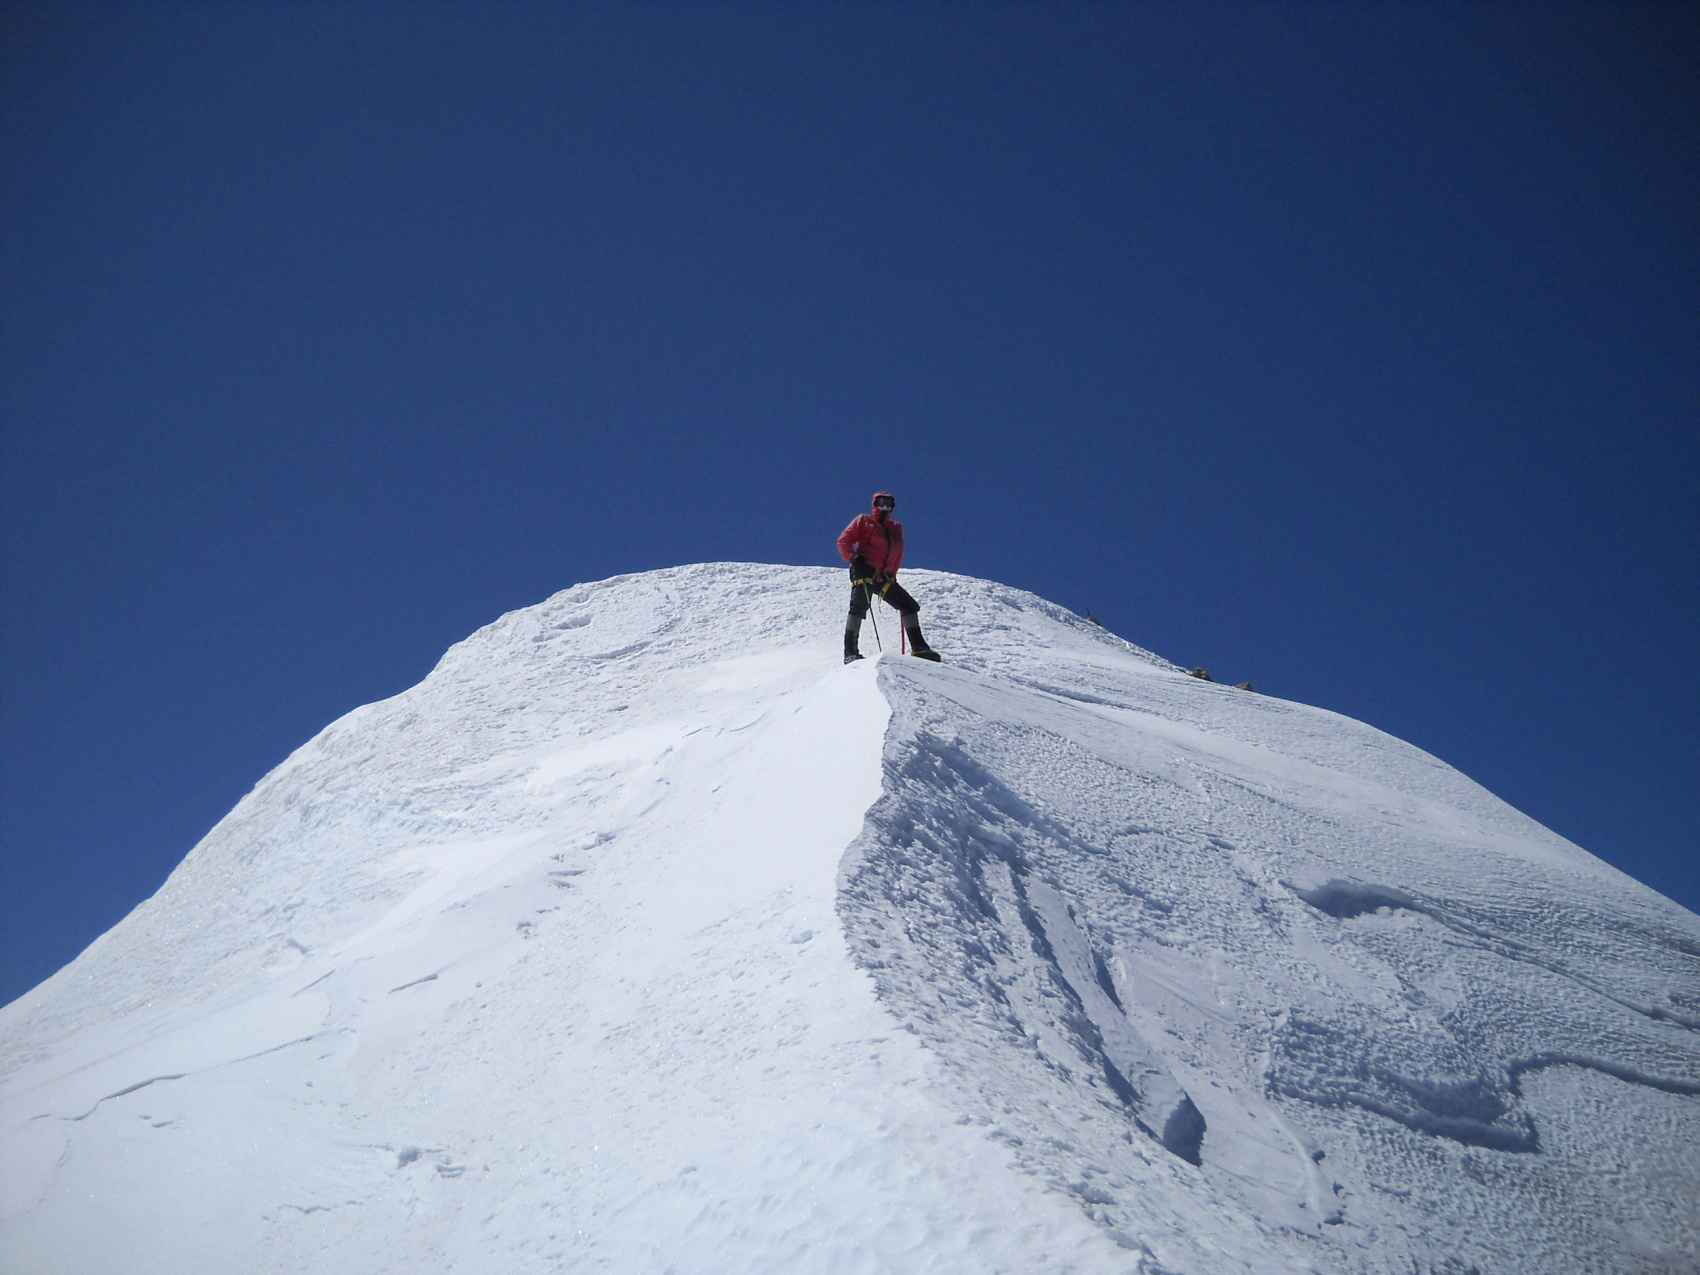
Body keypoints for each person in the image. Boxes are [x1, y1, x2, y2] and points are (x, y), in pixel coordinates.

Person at [837, 491, 941, 664]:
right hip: (864, 570)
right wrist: (854, 558)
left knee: (908, 605)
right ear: (874, 504)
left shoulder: (895, 528)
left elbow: (897, 552)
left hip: (884, 576)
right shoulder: (864, 520)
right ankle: (850, 652)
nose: (884, 506)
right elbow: (843, 541)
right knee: (859, 606)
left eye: (888, 502)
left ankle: (919, 648)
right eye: (880, 502)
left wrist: (892, 574)